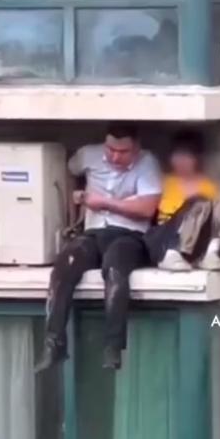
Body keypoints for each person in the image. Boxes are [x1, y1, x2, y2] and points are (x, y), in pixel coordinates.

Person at [37, 123, 162, 372]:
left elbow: (147, 208)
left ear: (136, 148)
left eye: (123, 151)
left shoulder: (148, 163)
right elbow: (65, 170)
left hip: (130, 235)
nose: (115, 156)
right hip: (93, 233)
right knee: (65, 264)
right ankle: (54, 343)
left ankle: (112, 346)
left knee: (114, 268)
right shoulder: (88, 155)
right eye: (111, 149)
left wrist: (103, 202)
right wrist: (77, 197)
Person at [144, 129, 220, 272]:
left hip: (194, 243)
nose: (181, 162)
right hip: (165, 239)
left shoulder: (206, 185)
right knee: (199, 203)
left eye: (186, 157)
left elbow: (215, 216)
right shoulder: (165, 181)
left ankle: (212, 252)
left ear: (196, 159)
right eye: (177, 156)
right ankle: (173, 253)